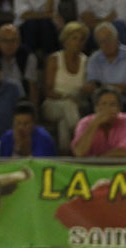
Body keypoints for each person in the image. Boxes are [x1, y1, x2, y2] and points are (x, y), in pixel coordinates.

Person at [42, 21, 89, 155]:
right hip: (53, 104)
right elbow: (48, 91)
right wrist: (66, 97)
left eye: (81, 39)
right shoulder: (54, 59)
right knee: (67, 106)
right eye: (74, 38)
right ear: (65, 40)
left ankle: (65, 154)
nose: (78, 42)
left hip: (76, 105)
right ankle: (80, 135)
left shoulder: (86, 61)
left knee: (63, 123)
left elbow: (85, 90)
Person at [84, 22, 126, 120]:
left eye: (109, 39)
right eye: (102, 41)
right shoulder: (94, 59)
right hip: (102, 106)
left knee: (110, 113)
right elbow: (92, 88)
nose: (106, 44)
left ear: (116, 37)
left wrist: (101, 86)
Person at [71, 87, 126, 157]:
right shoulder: (84, 122)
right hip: (90, 167)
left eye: (112, 105)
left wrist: (99, 160)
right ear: (95, 107)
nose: (107, 109)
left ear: (119, 108)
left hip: (119, 167)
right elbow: (79, 152)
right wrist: (94, 124)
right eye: (103, 104)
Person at [0, 23, 38, 106]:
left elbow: (32, 87)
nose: (9, 45)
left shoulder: (28, 56)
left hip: (20, 100)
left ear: (19, 42)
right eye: (5, 41)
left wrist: (33, 112)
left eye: (13, 40)